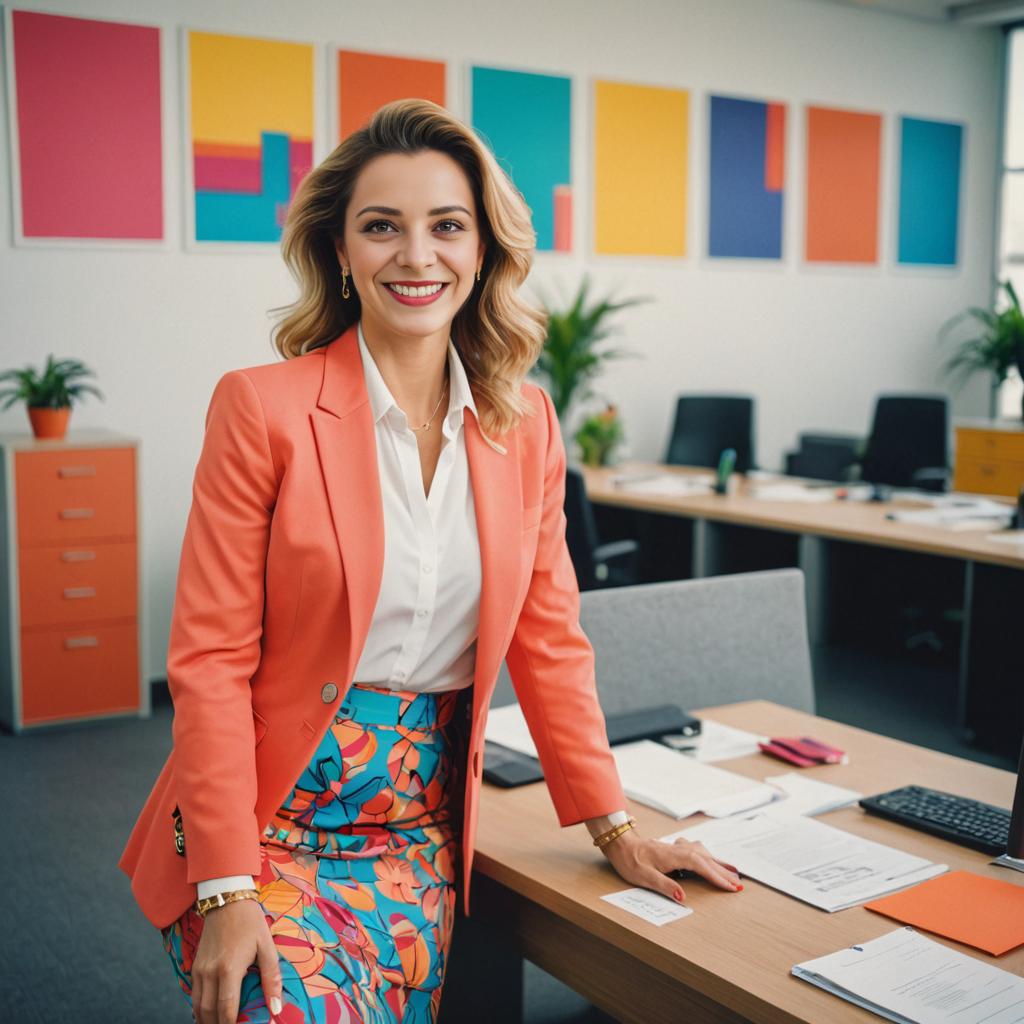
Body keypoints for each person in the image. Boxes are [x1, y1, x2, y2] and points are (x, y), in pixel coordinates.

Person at [119, 98, 741, 1024]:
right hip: (267, 823)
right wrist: (224, 885)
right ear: (340, 250)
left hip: (422, 831)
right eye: (382, 227)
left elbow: (550, 642)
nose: (417, 256)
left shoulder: (524, 425)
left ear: (482, 248)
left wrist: (614, 826)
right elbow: (209, 663)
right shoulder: (262, 409)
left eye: (447, 226)